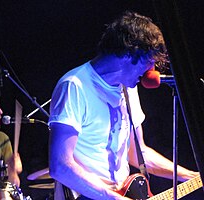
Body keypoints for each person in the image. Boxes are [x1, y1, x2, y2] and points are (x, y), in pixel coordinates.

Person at [48, 11, 199, 199]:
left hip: (120, 191)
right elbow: (60, 166)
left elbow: (138, 152)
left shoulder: (128, 88)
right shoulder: (74, 86)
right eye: (149, 62)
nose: (150, 71)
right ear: (129, 54)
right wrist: (114, 197)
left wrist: (193, 177)